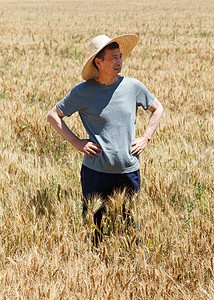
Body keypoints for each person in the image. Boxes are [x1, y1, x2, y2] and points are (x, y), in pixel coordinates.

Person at [47, 34, 163, 246]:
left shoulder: (133, 86)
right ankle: (94, 267)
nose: (119, 62)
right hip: (96, 172)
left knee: (131, 227)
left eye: (120, 57)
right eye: (113, 58)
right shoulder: (83, 92)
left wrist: (146, 137)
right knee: (93, 229)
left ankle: (131, 267)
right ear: (98, 62)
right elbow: (53, 116)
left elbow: (157, 108)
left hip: (128, 169)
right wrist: (77, 142)